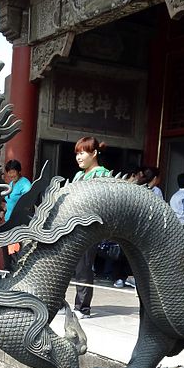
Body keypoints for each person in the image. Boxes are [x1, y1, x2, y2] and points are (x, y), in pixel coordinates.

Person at [72, 136, 110, 318]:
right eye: (77, 153)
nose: (79, 157)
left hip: (90, 228)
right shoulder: (79, 175)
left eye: (83, 153)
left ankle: (82, 308)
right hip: (72, 226)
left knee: (84, 267)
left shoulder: (103, 174)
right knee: (68, 266)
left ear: (94, 153)